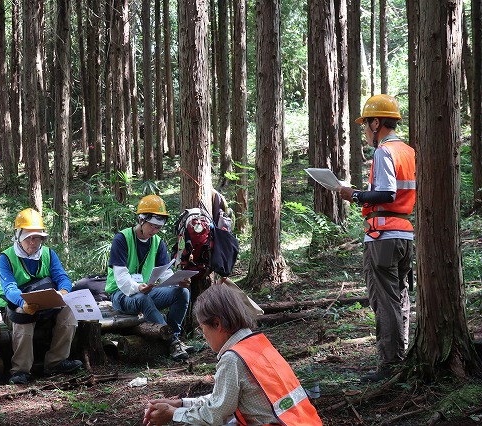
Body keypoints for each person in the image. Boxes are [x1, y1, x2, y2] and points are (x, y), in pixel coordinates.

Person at [143, 284, 322, 426]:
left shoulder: (233, 358)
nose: (203, 335)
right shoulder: (257, 344)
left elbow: (214, 416)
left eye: (202, 328)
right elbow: (223, 400)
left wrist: (174, 414)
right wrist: (181, 404)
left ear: (217, 324)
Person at [339, 94, 416, 382]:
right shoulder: (408, 151)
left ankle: (390, 365)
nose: (364, 131)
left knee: (385, 300)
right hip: (403, 235)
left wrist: (354, 195)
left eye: (365, 125)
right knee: (399, 298)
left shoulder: (384, 152)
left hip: (382, 235)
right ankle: (401, 356)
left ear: (376, 122)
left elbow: (386, 193)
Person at [0, 208, 82, 385]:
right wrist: (23, 302)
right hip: (13, 305)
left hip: (46, 302)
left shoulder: (49, 254)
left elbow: (62, 277)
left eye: (37, 237)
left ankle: (56, 362)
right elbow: (10, 288)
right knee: (23, 314)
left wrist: (63, 292)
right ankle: (20, 370)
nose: (33, 242)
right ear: (18, 235)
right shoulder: (5, 258)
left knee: (69, 310)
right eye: (28, 237)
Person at [105, 194, 193, 361]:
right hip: (121, 294)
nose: (155, 231)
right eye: (152, 226)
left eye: (158, 227)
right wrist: (138, 287)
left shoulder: (158, 242)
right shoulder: (122, 239)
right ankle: (173, 343)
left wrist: (178, 281)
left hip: (145, 291)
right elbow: (121, 277)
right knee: (143, 299)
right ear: (141, 220)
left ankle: (174, 335)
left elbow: (165, 272)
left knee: (182, 293)